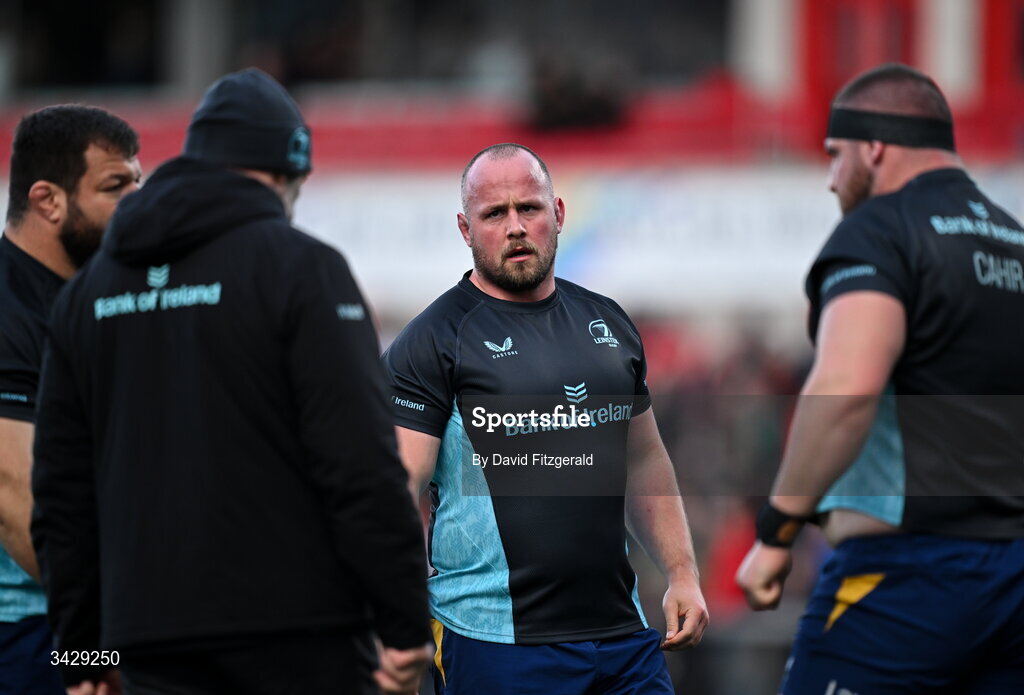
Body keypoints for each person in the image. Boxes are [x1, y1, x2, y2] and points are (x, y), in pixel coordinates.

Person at [30, 68, 432, 695]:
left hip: (145, 649)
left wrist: (83, 662)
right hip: (301, 640)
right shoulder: (304, 270)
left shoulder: (86, 294)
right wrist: (406, 628)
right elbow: (360, 466)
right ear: (284, 172)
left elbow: (61, 498)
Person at [736, 63, 1024, 694]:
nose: (832, 179)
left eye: (835, 156)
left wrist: (779, 532)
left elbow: (845, 388)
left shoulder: (878, 231)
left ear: (874, 147)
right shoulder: (1014, 243)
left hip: (909, 580)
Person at [383, 142, 708, 695]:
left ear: (557, 214)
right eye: (494, 214)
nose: (515, 227)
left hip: (622, 638)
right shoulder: (432, 341)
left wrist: (682, 573)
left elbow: (644, 457)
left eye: (528, 208)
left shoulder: (608, 323)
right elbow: (397, 490)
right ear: (465, 229)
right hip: (493, 643)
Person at [0, 105, 140, 695]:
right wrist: (94, 647)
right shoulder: (8, 309)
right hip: (34, 631)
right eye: (116, 186)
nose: (137, 201)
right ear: (48, 200)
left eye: (139, 182)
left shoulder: (91, 298)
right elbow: (16, 495)